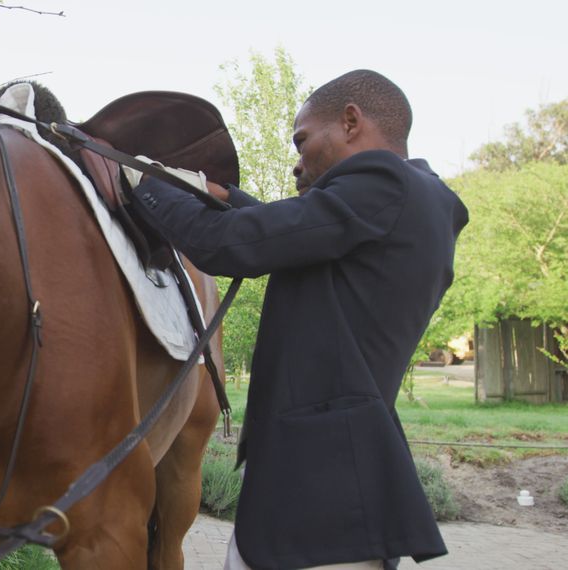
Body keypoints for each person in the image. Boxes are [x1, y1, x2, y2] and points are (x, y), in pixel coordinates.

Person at [125, 70, 468, 569]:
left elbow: (232, 246)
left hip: (320, 500)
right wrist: (220, 196)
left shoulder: (386, 183)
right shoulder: (418, 200)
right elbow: (294, 234)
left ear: (351, 122)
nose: (297, 161)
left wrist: (145, 181)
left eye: (302, 139)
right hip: (334, 494)